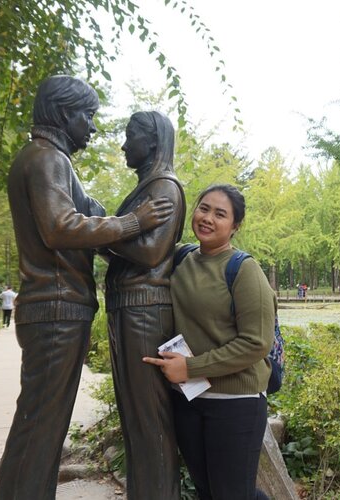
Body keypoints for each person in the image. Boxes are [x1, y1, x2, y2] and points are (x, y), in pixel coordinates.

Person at [0, 75, 172, 500]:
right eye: (87, 117)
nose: (92, 129)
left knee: (43, 427)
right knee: (39, 428)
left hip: (58, 308)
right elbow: (61, 227)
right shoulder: (45, 158)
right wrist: (133, 222)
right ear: (63, 113)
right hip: (56, 309)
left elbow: (87, 212)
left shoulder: (50, 160)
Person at [143, 184, 276, 500]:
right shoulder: (181, 257)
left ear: (234, 226)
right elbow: (140, 251)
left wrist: (190, 367)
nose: (208, 218)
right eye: (204, 208)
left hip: (235, 403)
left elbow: (256, 343)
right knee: (208, 492)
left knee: (231, 494)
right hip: (189, 400)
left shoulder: (243, 269)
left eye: (220, 214)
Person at [102, 111, 185, 499]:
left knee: (149, 418)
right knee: (134, 418)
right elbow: (130, 244)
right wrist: (116, 229)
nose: (123, 145)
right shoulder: (145, 189)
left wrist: (102, 234)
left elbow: (151, 253)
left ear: (151, 142)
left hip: (144, 312)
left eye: (129, 136)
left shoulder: (164, 188)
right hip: (128, 309)